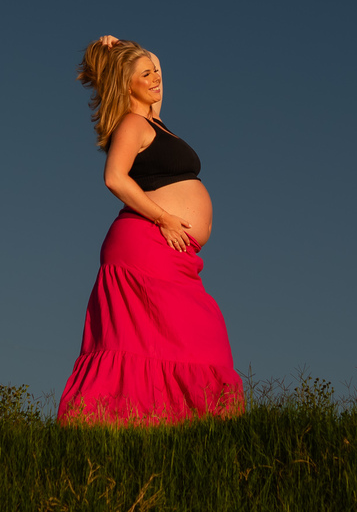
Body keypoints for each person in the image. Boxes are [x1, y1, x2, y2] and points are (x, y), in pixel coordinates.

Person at [57, 36, 244, 425]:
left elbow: (154, 63)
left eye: (155, 71)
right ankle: (110, 426)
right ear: (127, 85)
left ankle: (182, 427)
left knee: (195, 335)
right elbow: (114, 177)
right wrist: (163, 217)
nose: (156, 77)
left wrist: (123, 45)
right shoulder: (132, 123)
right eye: (146, 74)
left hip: (172, 250)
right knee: (159, 339)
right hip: (147, 241)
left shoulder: (153, 117)